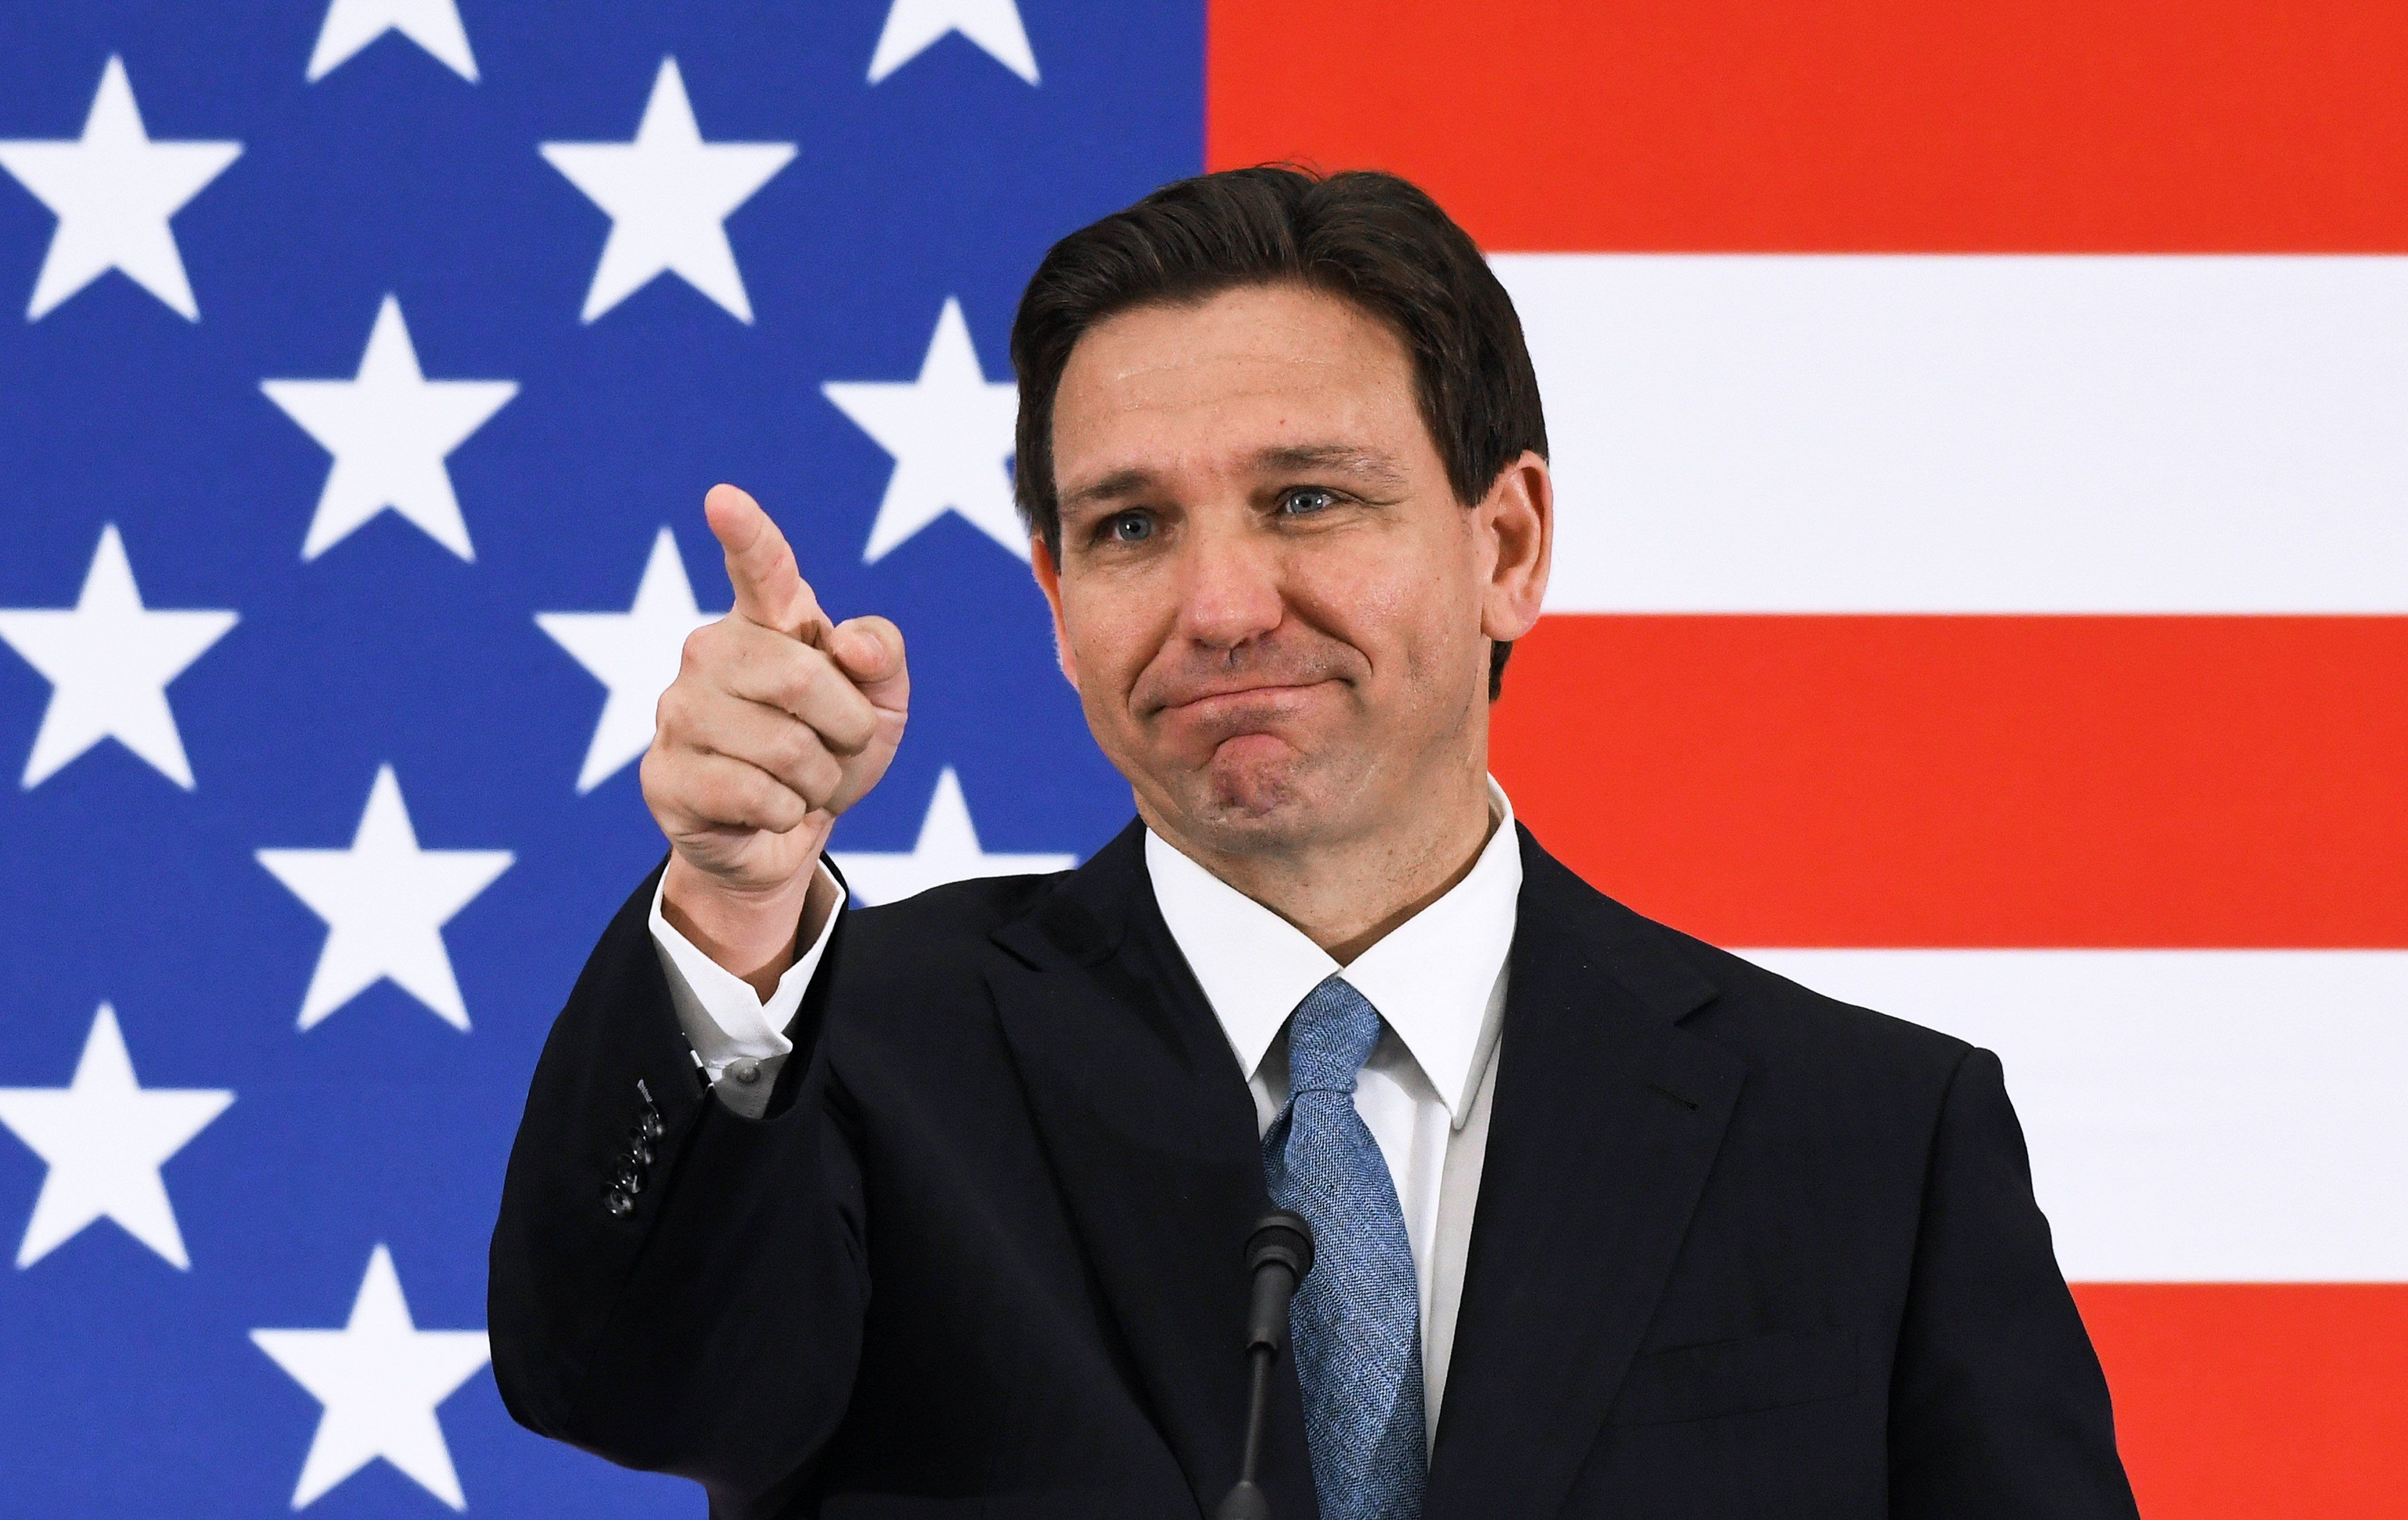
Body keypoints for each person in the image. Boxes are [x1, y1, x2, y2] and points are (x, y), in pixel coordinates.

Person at [488, 167, 2140, 1520]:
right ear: (1059, 607)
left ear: (1508, 545)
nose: (1219, 607)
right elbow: (620, 1382)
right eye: (1130, 526)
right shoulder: (850, 1049)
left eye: (1306, 500)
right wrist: (735, 898)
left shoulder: (1871, 1139)